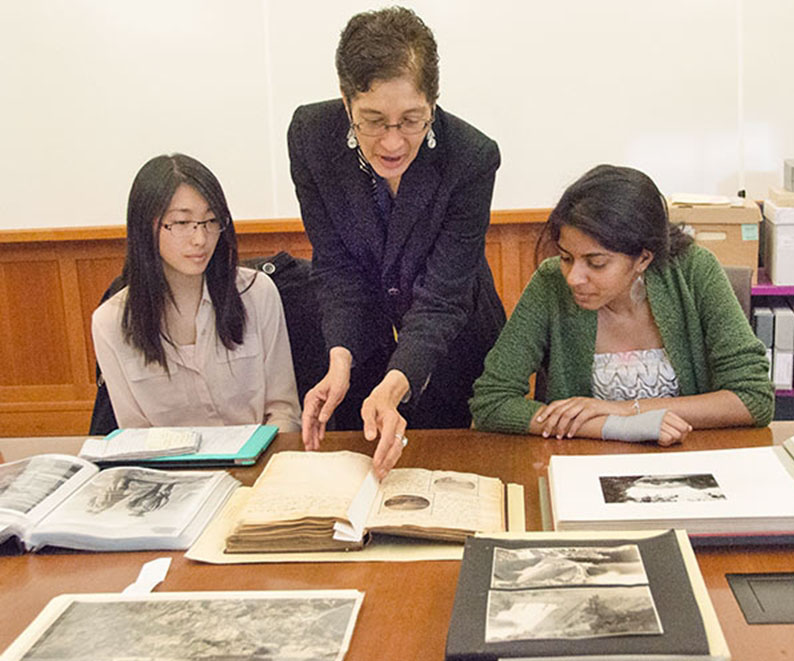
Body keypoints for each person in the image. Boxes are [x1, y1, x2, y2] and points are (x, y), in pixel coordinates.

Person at [288, 7, 506, 478]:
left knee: (442, 479)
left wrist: (398, 380)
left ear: (434, 102)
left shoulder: (470, 158)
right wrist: (340, 357)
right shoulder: (311, 138)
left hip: (452, 340)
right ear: (346, 102)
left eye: (412, 120)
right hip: (365, 336)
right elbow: (336, 266)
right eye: (372, 120)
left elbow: (443, 298)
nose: (393, 142)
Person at [470, 165, 773, 445]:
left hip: (690, 463)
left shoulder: (695, 271)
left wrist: (627, 410)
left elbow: (753, 397)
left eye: (596, 263)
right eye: (566, 257)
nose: (574, 277)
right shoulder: (551, 282)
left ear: (643, 258)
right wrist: (611, 425)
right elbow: (492, 401)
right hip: (582, 470)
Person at [91, 154, 301, 432]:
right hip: (172, 472)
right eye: (181, 223)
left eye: (211, 221)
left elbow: (283, 412)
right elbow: (135, 436)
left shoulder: (257, 293)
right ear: (145, 227)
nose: (200, 238)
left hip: (258, 465)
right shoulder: (111, 322)